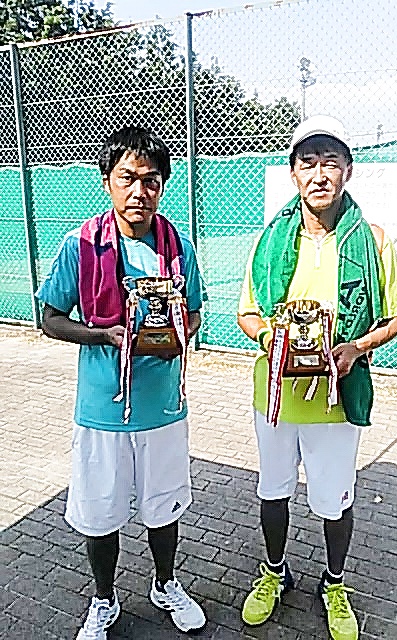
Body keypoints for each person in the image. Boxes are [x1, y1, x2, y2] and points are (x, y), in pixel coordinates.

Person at [237, 114, 397, 640]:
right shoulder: (270, 240)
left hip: (337, 400)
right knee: (273, 491)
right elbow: (247, 313)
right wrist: (273, 341)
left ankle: (334, 583)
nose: (319, 174)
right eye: (307, 162)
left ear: (347, 171)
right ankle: (274, 573)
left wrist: (356, 348)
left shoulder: (372, 240)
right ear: (292, 172)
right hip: (276, 397)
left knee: (335, 499)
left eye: (330, 162)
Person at [36, 126, 207, 639]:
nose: (139, 191)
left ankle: (166, 584)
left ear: (163, 185)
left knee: (164, 507)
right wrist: (102, 335)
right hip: (102, 409)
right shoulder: (81, 245)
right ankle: (104, 599)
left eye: (151, 180)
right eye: (127, 178)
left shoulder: (178, 247)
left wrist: (178, 334)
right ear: (107, 180)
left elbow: (194, 313)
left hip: (162, 407)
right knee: (100, 513)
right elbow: (49, 318)